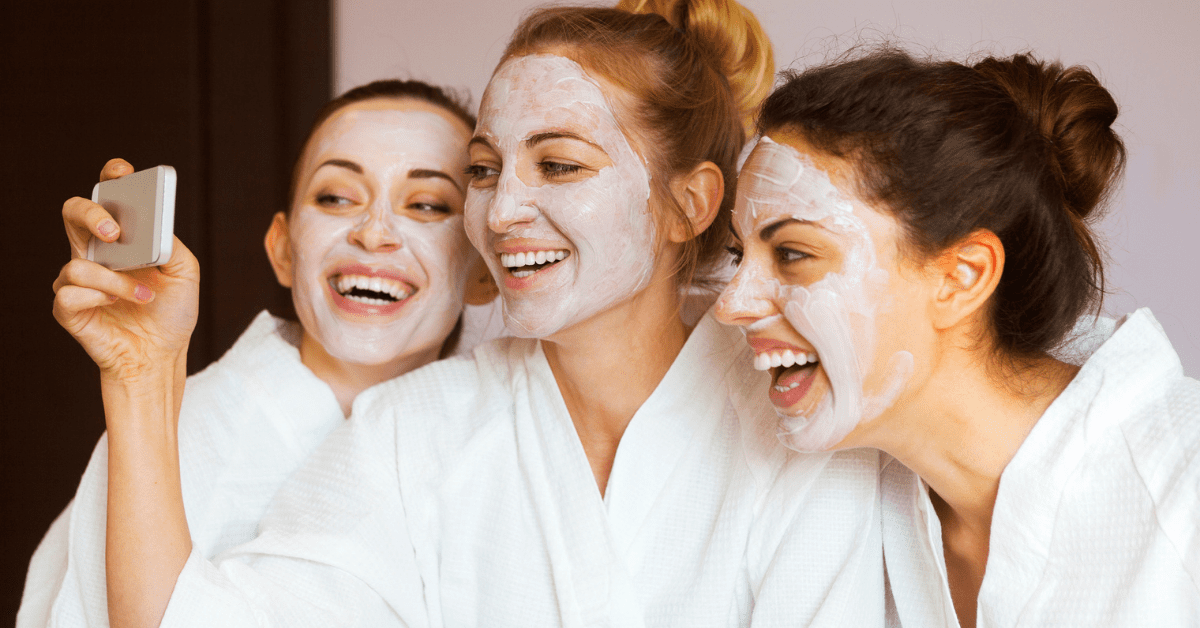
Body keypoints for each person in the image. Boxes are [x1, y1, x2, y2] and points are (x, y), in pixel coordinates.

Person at [60, 2, 889, 627]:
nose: (501, 212)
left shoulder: (801, 410)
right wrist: (142, 373)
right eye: (486, 170)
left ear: (690, 202)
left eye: (559, 164)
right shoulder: (410, 431)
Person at [716, 48, 1200, 627]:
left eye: (793, 253)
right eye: (738, 254)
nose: (731, 304)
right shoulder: (842, 505)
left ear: (960, 277)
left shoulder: (1184, 492)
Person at [26, 79, 496, 627]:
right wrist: (138, 379)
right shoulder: (178, 430)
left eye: (427, 204)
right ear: (283, 249)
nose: (374, 232)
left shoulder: (497, 439)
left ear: (486, 271)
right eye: (337, 197)